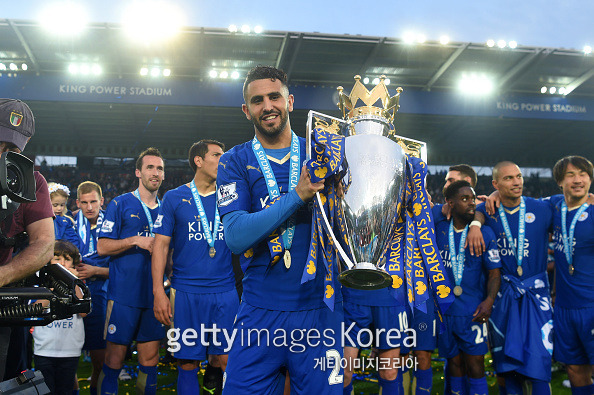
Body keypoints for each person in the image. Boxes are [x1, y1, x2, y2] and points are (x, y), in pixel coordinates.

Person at [217, 65, 343, 394]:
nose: (267, 106)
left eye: (274, 96)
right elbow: (235, 236)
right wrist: (298, 195)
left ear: (290, 101)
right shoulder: (233, 161)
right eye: (257, 100)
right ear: (247, 110)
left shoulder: (326, 157)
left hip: (319, 311)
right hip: (259, 312)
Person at [152, 140, 238, 395]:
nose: (223, 160)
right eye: (216, 155)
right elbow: (160, 247)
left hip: (225, 291)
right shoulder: (175, 197)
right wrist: (159, 291)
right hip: (185, 292)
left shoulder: (233, 195)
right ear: (198, 161)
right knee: (187, 363)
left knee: (227, 361)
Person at [468, 161, 555, 394]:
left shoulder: (542, 208)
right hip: (504, 299)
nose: (516, 182)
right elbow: (468, 208)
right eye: (508, 178)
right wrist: (476, 222)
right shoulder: (488, 211)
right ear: (495, 183)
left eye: (518, 176)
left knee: (538, 367)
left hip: (536, 299)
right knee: (508, 370)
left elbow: (575, 202)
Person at [97, 148, 166, 395]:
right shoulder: (120, 203)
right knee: (114, 361)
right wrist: (135, 240)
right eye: (149, 167)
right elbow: (102, 246)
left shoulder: (168, 207)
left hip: (154, 298)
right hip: (123, 297)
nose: (155, 172)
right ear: (138, 172)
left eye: (159, 168)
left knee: (150, 362)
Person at [0, 99, 54, 378]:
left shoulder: (31, 181)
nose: (4, 152)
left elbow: (45, 244)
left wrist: (4, 274)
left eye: (13, 148)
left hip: (4, 304)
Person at [435, 180, 501, 395]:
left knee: (476, 367)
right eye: (464, 199)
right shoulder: (437, 231)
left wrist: (489, 301)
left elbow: (494, 273)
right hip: (445, 312)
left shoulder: (485, 233)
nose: (471, 203)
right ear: (450, 203)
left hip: (472, 312)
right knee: (454, 366)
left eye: (473, 198)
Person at [550, 155, 594, 394]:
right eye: (570, 175)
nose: (578, 180)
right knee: (576, 370)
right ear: (560, 181)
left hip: (591, 305)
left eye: (583, 174)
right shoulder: (554, 206)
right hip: (565, 308)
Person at [32, 240, 87, 395]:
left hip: (69, 351)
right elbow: (34, 309)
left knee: (65, 390)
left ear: (74, 264)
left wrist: (73, 282)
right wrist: (52, 286)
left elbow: (83, 311)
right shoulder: (40, 283)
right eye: (57, 257)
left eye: (67, 259)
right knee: (45, 391)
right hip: (44, 350)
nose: (61, 263)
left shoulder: (79, 286)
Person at [74, 181, 110, 395]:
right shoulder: (68, 224)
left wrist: (95, 271)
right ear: (77, 203)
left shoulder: (114, 226)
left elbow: (122, 271)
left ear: (101, 201)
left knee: (100, 361)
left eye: (93, 202)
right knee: (69, 361)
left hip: (101, 297)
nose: (89, 207)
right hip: (73, 299)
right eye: (84, 202)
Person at [48, 182, 80, 247]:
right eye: (55, 205)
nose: (59, 208)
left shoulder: (68, 219)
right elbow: (56, 241)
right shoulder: (51, 220)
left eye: (62, 205)